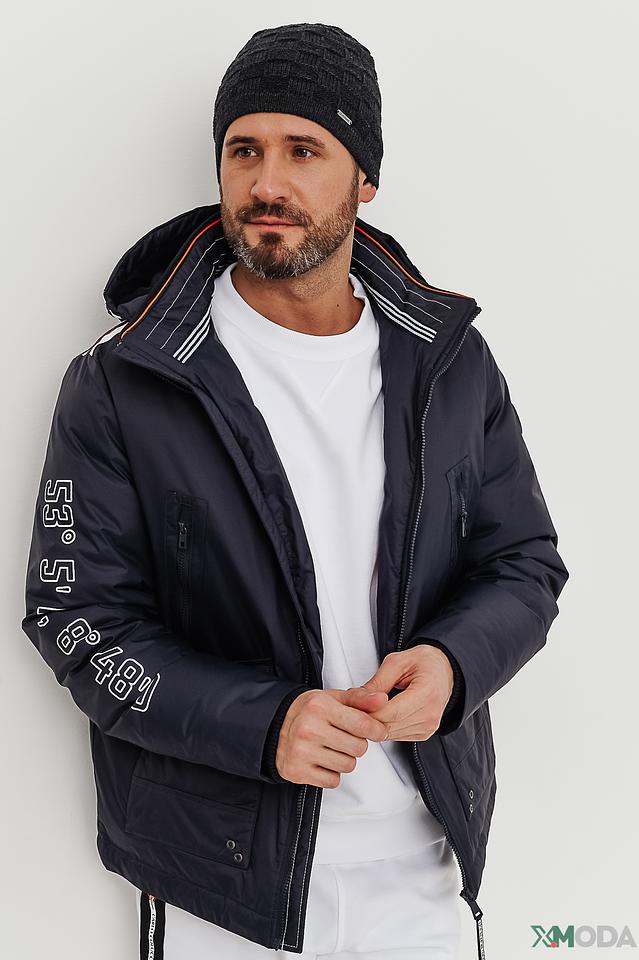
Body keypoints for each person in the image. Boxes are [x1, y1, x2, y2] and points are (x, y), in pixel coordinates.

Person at [21, 21, 569, 960]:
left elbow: (524, 564)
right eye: (244, 151)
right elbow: (76, 621)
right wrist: (264, 724)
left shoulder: (451, 364)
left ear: (364, 177)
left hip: (425, 863)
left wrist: (453, 666)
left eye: (303, 150)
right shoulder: (126, 380)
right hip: (219, 885)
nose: (266, 183)